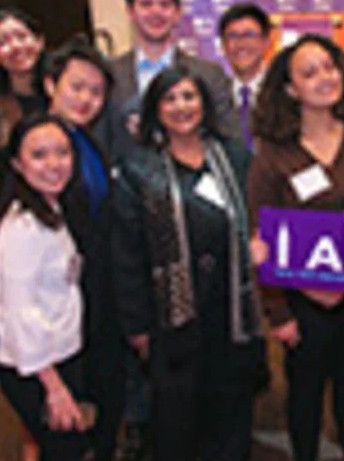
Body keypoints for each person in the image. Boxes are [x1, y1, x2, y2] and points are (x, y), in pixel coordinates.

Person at [111, 67, 265, 461]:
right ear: (155, 109)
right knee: (178, 426)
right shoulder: (138, 169)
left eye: (189, 97)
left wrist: (258, 243)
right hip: (172, 321)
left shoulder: (233, 158)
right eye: (170, 98)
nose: (182, 107)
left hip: (230, 313)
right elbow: (127, 255)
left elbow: (257, 217)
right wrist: (138, 327)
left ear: (204, 104)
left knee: (232, 418)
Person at [248, 34, 344, 461]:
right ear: (290, 90)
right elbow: (260, 239)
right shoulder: (272, 155)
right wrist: (279, 314)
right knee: (304, 401)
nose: (324, 78)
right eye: (309, 73)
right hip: (302, 304)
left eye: (328, 67)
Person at [43, 38, 125, 460]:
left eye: (96, 92)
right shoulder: (41, 146)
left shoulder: (86, 140)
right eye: (77, 87)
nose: (86, 99)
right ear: (50, 85)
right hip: (60, 305)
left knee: (106, 401)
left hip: (97, 294)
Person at [0, 114, 92, 460]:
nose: (54, 164)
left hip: (59, 355)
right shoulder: (22, 228)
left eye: (62, 153)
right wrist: (54, 388)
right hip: (37, 368)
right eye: (39, 155)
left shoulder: (52, 208)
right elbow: (21, 312)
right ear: (18, 164)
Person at [102, 0, 237, 162]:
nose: (156, 12)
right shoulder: (109, 74)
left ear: (177, 13)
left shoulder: (209, 74)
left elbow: (229, 140)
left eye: (164, 4)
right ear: (130, 12)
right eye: (146, 4)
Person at [0, 8, 47, 145]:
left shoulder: (61, 90)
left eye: (22, 37)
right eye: (3, 42)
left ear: (39, 41)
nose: (15, 46)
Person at [218, 2, 272, 150]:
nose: (241, 44)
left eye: (249, 35)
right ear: (223, 45)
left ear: (266, 42)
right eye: (233, 36)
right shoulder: (214, 94)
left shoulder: (285, 91)